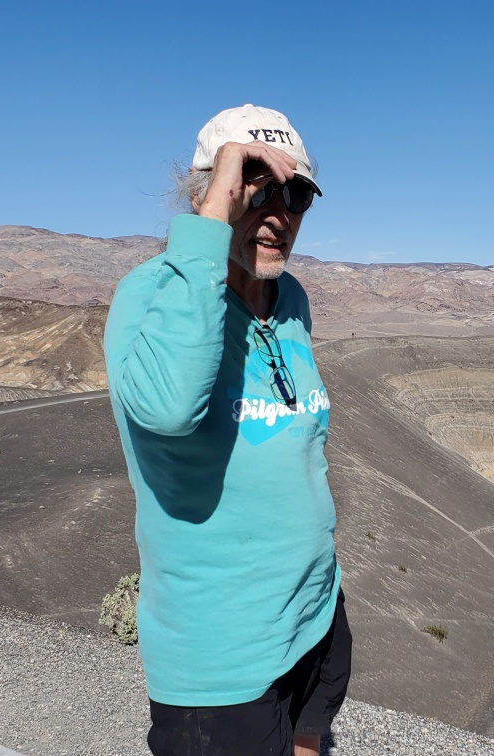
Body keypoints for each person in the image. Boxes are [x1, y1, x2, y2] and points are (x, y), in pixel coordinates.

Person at [104, 104, 351, 756]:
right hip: (219, 656)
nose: (279, 212)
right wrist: (211, 224)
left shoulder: (290, 298)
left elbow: (301, 438)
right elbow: (166, 408)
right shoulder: (151, 294)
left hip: (314, 614)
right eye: (255, 187)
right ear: (204, 194)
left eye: (295, 193)